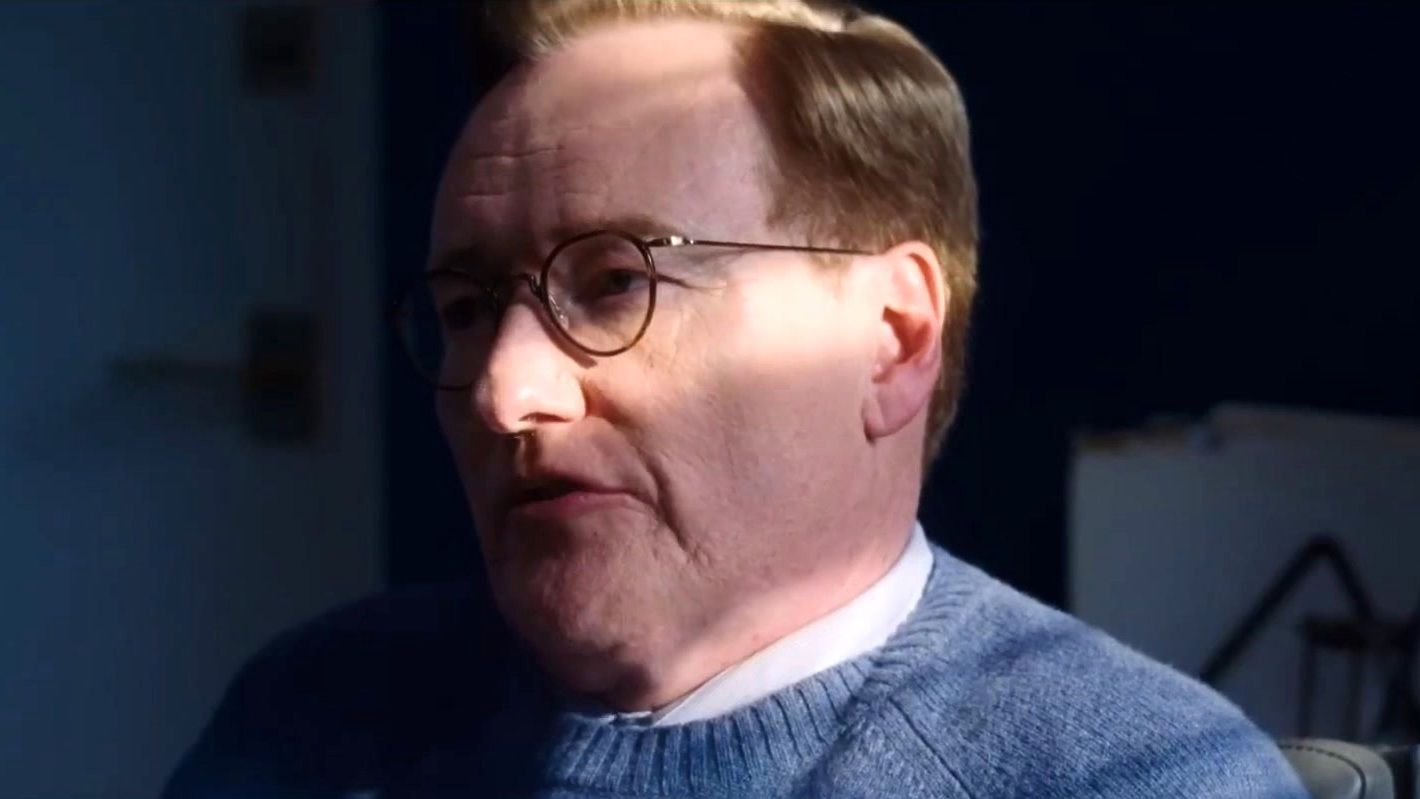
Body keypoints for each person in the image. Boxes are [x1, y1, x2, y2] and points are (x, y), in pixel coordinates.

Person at [165, 1, 1308, 796]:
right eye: (466, 308)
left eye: (614, 283)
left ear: (890, 338)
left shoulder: (1134, 778)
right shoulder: (316, 707)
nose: (507, 390)